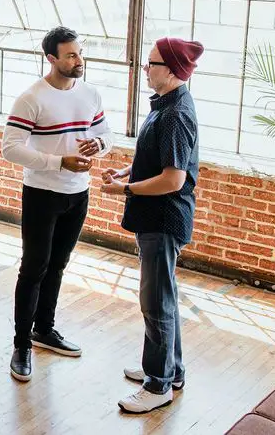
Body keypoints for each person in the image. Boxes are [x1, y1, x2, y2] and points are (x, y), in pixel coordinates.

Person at [2, 26, 113, 382]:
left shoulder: (90, 93)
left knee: (59, 265)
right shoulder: (31, 98)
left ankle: (44, 329)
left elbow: (105, 133)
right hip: (42, 194)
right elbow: (10, 148)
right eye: (71, 55)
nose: (79, 60)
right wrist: (58, 162)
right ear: (50, 59)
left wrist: (101, 146)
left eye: (80, 53)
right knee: (34, 268)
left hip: (78, 194)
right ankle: (22, 344)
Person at [101, 37, 203, 413]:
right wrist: (127, 170)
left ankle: (157, 384)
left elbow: (173, 179)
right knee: (165, 298)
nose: (145, 69)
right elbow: (156, 160)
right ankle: (170, 371)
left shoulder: (176, 114)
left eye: (151, 64)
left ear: (173, 70)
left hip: (163, 218)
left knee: (155, 303)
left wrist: (124, 188)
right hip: (156, 217)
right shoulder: (167, 103)